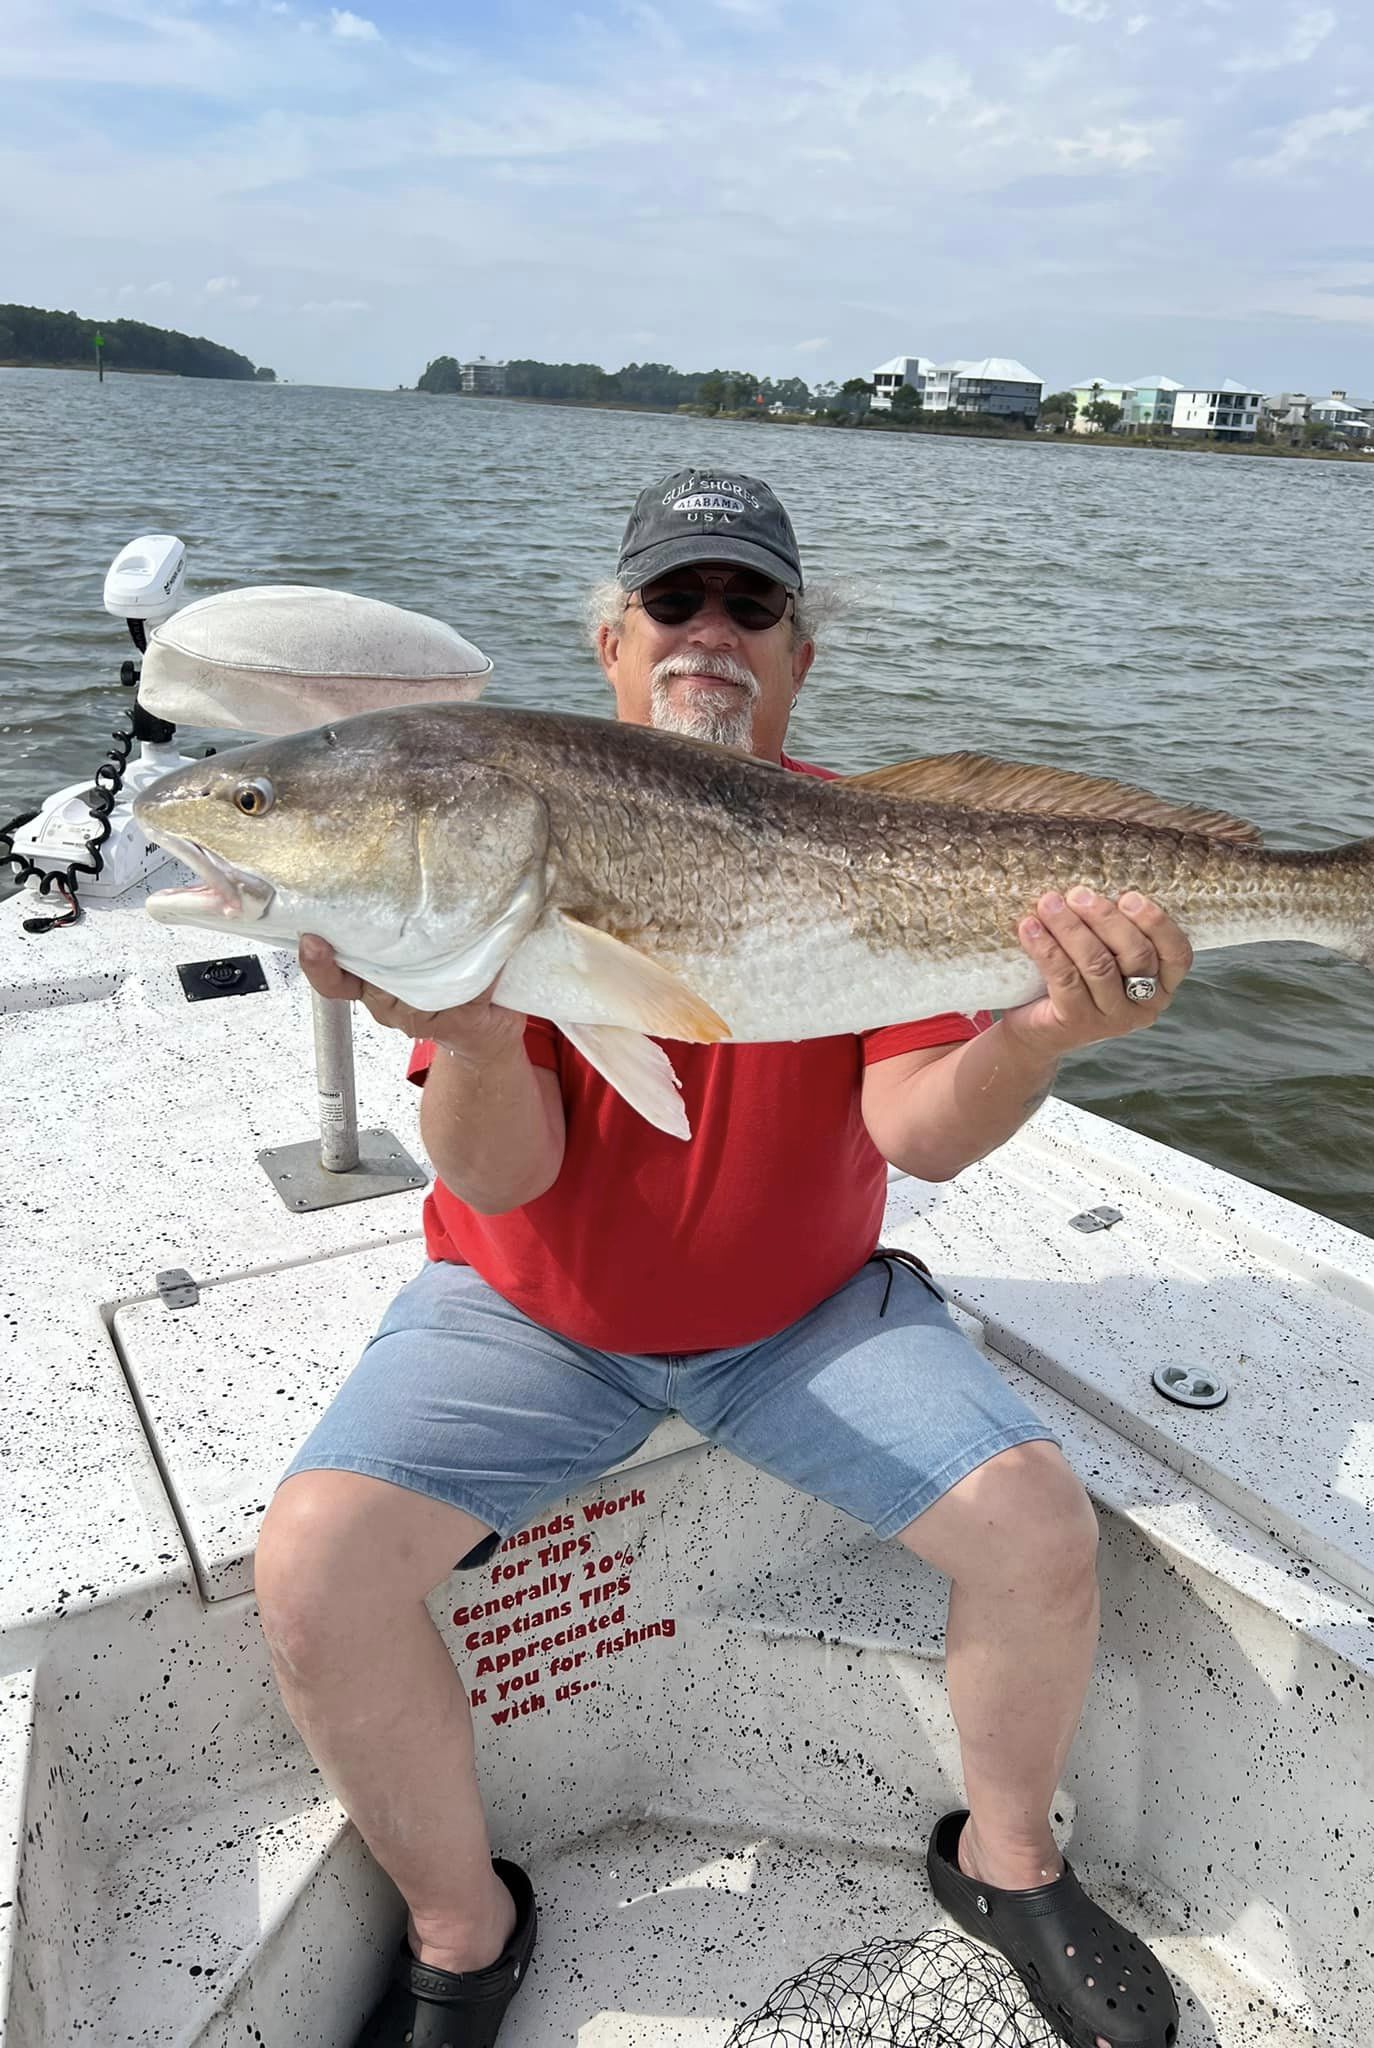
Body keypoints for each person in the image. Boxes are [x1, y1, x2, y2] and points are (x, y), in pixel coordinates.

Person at [255, 467, 1191, 2048]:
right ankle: (461, 1926)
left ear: (796, 655)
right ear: (612, 642)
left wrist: (1041, 1033)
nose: (712, 633)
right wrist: (482, 1036)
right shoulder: (502, 818)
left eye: (751, 605)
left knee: (1035, 1528)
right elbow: (506, 1170)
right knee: (316, 1568)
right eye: (674, 603)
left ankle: (1009, 1860)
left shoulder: (877, 841)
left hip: (799, 1321)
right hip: (528, 1316)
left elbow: (920, 1132)